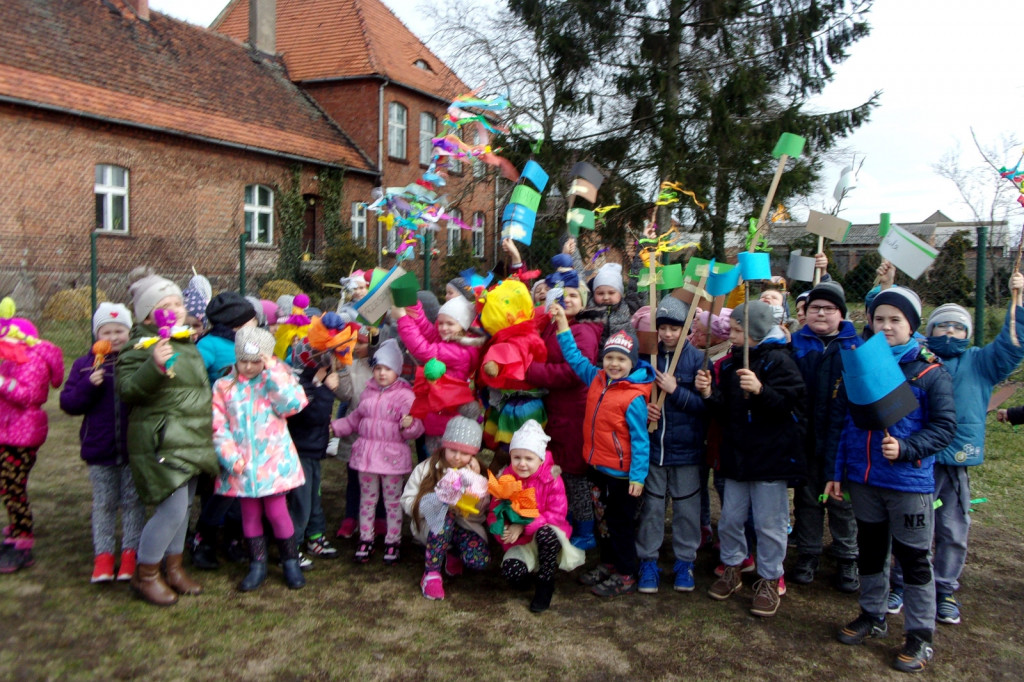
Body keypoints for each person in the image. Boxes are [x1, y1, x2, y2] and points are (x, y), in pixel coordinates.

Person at [827, 287, 956, 673]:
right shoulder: (859, 368)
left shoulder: (930, 371)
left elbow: (945, 428)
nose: (885, 327)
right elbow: (844, 425)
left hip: (908, 485)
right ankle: (873, 614)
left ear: (911, 326)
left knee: (914, 559)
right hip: (865, 480)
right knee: (870, 551)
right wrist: (837, 472)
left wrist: (907, 448)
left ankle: (919, 635)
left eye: (895, 320)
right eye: (879, 319)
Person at [885, 273, 1024, 624]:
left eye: (958, 327)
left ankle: (944, 589)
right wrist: (884, 285)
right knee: (911, 524)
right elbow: (889, 324)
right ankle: (901, 583)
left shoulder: (982, 362)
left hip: (954, 461)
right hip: (917, 460)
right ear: (928, 330)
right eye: (941, 326)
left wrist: (1018, 301)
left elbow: (1012, 342)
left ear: (968, 334)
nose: (949, 332)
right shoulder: (917, 357)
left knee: (952, 527)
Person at [695, 300, 806, 618]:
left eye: (738, 330)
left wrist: (761, 391)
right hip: (736, 456)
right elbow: (726, 410)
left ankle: (770, 578)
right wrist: (708, 394)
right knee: (731, 518)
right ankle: (732, 567)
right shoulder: (730, 364)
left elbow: (790, 406)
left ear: (756, 331)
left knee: (770, 524)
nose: (731, 336)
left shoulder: (780, 362)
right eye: (731, 329)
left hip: (769, 457)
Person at [117, 268, 219, 605]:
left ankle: (173, 569)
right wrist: (154, 367)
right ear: (147, 313)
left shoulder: (183, 341)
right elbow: (129, 390)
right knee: (172, 510)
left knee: (186, 506)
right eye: (166, 303)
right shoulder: (140, 346)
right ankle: (145, 574)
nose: (175, 308)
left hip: (191, 436)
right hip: (163, 438)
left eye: (178, 302)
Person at [553, 303, 654, 597]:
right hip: (596, 468)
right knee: (603, 523)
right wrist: (562, 324)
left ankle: (626, 572)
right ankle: (609, 563)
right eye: (609, 357)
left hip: (622, 477)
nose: (613, 364)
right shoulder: (596, 379)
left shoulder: (634, 398)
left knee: (620, 525)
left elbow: (639, 440)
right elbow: (573, 357)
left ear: (631, 363)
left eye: (621, 360)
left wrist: (637, 477)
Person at [212, 327, 309, 591]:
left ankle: (290, 561)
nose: (248, 367)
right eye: (242, 360)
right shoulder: (224, 386)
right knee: (250, 513)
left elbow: (292, 405)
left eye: (255, 361)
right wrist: (230, 457)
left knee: (277, 511)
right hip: (241, 464)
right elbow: (218, 426)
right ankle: (257, 563)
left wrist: (275, 373)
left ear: (265, 359)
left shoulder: (276, 381)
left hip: (273, 462)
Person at [60, 303, 144, 583]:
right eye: (106, 332)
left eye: (119, 331)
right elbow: (68, 403)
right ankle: (104, 557)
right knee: (104, 504)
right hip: (99, 447)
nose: (114, 337)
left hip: (134, 448)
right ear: (97, 335)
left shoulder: (137, 360)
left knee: (133, 502)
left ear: (129, 332)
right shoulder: (84, 365)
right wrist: (88, 386)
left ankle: (131, 553)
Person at [789, 281, 860, 592]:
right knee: (808, 499)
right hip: (805, 436)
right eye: (815, 307)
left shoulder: (854, 346)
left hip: (843, 437)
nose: (820, 313)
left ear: (840, 314)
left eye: (828, 309)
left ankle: (847, 557)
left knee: (843, 501)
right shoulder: (795, 344)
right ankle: (808, 553)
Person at [525, 265, 602, 550]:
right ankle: (562, 520)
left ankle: (585, 529)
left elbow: (572, 373)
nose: (567, 300)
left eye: (574, 295)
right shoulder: (552, 326)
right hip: (556, 411)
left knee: (574, 474)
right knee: (557, 472)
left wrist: (531, 372)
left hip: (574, 413)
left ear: (584, 301)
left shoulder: (583, 331)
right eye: (563, 295)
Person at [637, 296, 707, 593]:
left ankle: (684, 561)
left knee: (687, 509)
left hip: (687, 450)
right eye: (663, 327)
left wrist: (675, 390)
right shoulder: (645, 357)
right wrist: (645, 409)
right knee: (651, 508)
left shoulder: (697, 360)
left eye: (674, 329)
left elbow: (704, 408)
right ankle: (648, 561)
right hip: (653, 449)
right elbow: (630, 396)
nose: (667, 334)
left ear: (686, 329)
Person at [331, 339, 424, 564]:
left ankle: (393, 540)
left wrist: (409, 425)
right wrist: (334, 428)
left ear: (397, 371)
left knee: (392, 501)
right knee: (367, 500)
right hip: (366, 457)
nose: (382, 373)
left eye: (388, 369)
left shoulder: (405, 396)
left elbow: (415, 429)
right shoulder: (368, 393)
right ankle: (366, 538)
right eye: (378, 368)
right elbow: (354, 419)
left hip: (391, 459)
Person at [488, 420, 585, 612]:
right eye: (517, 457)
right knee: (512, 572)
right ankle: (528, 574)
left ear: (540, 459)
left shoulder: (551, 479)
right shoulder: (506, 478)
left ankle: (545, 581)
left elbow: (556, 514)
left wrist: (525, 525)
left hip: (545, 532)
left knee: (546, 534)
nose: (522, 464)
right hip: (520, 542)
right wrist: (502, 528)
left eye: (528, 458)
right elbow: (495, 511)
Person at [0, 301, 64, 573]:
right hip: (8, 432)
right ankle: (15, 529)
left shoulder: (32, 361)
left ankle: (23, 540)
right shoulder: (12, 361)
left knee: (14, 487)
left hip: (21, 437)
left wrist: (2, 383)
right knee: (7, 485)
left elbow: (30, 395)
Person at [402, 417, 490, 601]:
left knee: (479, 560)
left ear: (473, 455)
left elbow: (482, 512)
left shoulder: (478, 474)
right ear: (444, 447)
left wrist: (474, 484)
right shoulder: (426, 468)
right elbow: (407, 500)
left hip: (463, 527)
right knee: (444, 517)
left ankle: (452, 551)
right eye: (452, 450)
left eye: (464, 453)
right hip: (433, 526)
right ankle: (431, 573)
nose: (457, 457)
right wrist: (434, 505)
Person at [394, 294, 482, 453]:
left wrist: (403, 319)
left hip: (445, 417)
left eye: (450, 324)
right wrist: (412, 305)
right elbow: (427, 329)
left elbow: (423, 351)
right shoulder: (451, 340)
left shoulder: (458, 351)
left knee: (439, 458)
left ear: (463, 326)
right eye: (440, 323)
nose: (443, 328)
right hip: (440, 412)